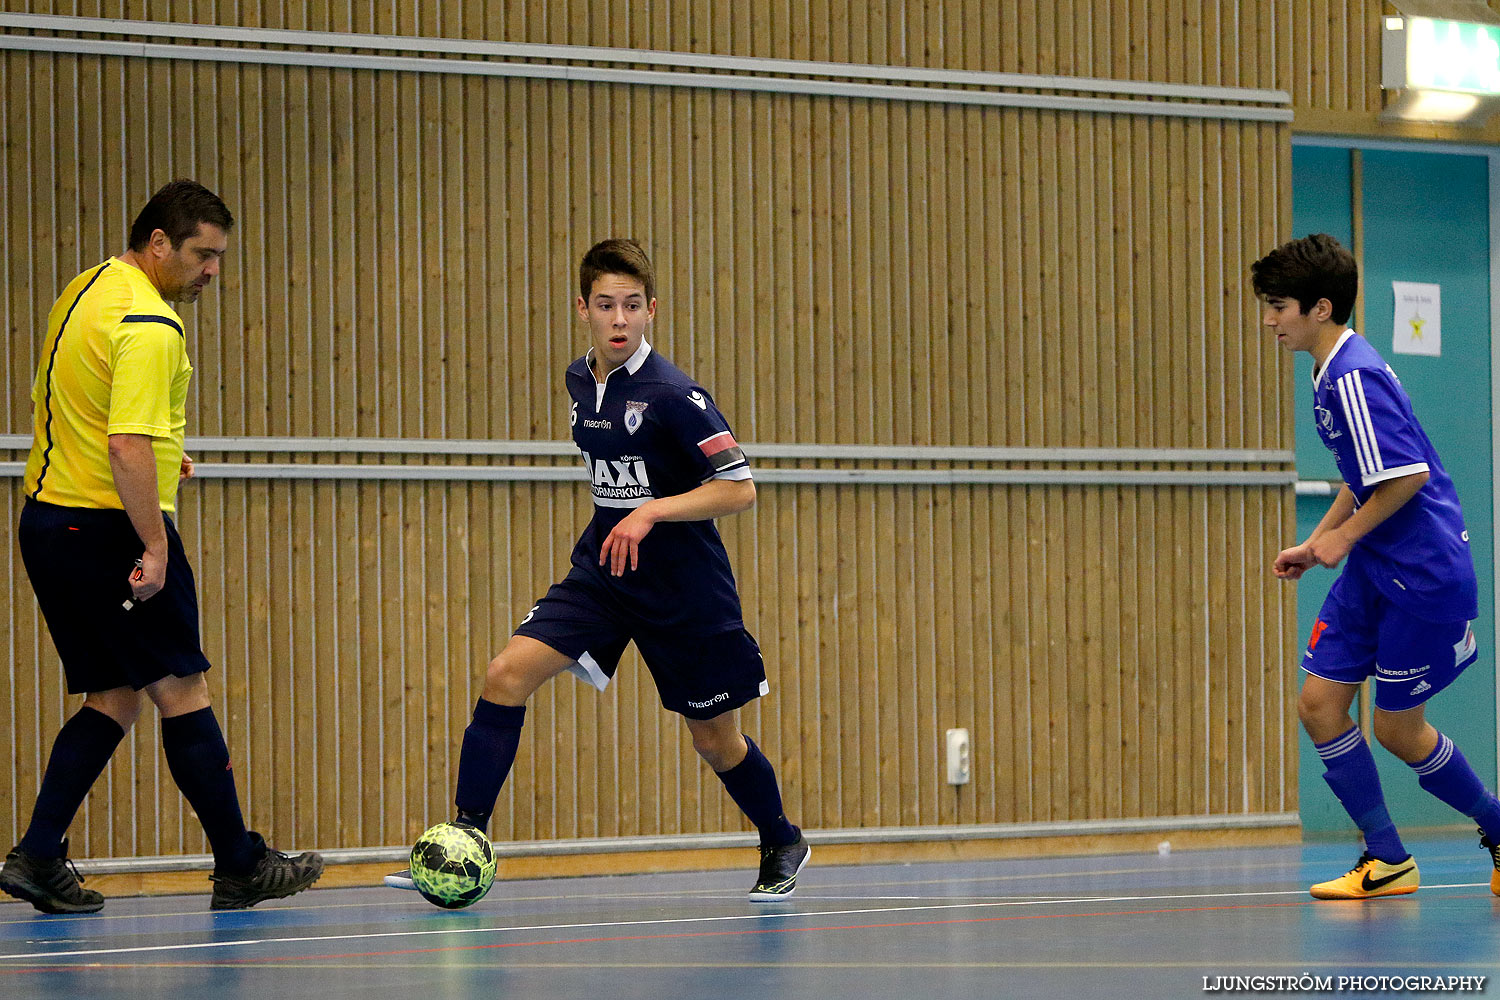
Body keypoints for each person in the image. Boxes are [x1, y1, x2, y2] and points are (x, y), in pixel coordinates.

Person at [388, 238, 809, 898]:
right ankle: (465, 843)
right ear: (582, 307)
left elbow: (739, 487)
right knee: (505, 674)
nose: (620, 320)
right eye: (607, 305)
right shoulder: (578, 380)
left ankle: (782, 837)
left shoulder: (675, 395)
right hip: (605, 575)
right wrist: (623, 522)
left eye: (633, 306)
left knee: (715, 740)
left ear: (652, 311)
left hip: (684, 591)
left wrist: (650, 512)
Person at [0, 180, 324, 913]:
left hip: (50, 522)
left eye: (218, 257)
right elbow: (123, 442)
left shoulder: (89, 288)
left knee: (114, 696)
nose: (212, 271)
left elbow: (80, 406)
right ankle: (239, 862)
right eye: (202, 256)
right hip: (106, 527)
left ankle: (38, 854)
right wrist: (155, 541)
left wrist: (155, 455)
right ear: (158, 245)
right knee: (182, 687)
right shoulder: (152, 324)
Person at [1257, 233, 1500, 899]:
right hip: (1374, 566)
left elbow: (1409, 477)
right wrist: (1323, 540)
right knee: (1319, 705)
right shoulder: (1330, 370)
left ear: (1320, 307)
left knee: (1397, 730)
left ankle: (1499, 828)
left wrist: (1341, 539)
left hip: (1421, 575)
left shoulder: (1352, 377)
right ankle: (1388, 858)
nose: (1269, 319)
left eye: (1278, 306)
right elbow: (1367, 474)